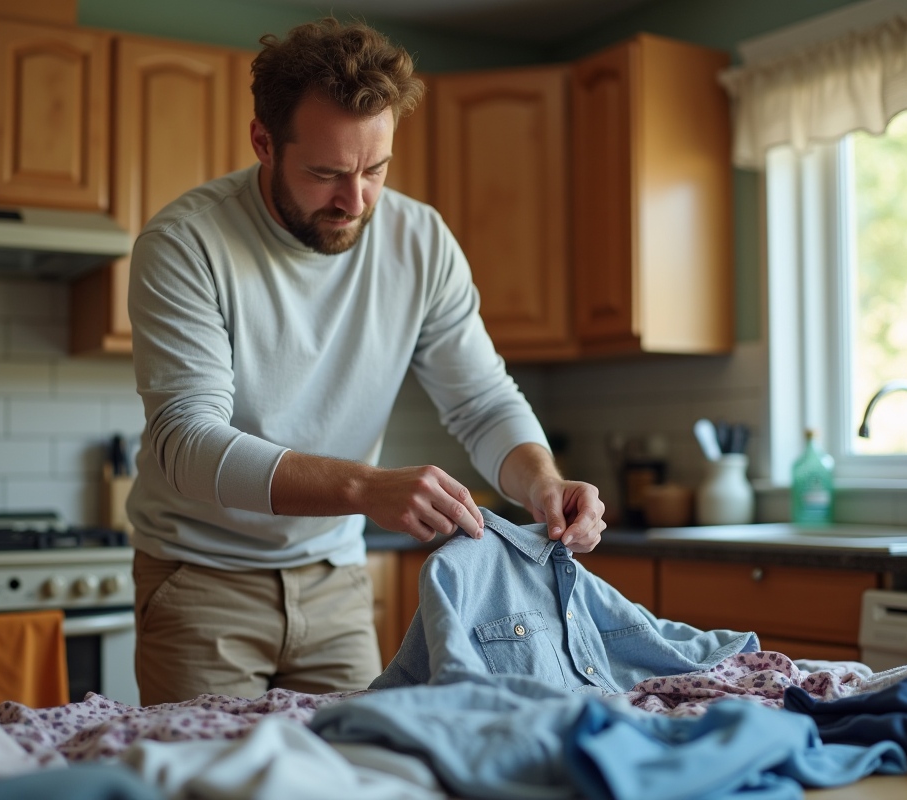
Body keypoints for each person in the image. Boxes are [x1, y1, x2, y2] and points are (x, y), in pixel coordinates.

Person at [126, 17, 606, 706]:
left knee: (360, 771)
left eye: (374, 170)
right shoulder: (186, 244)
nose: (355, 202)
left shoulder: (421, 240)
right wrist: (365, 489)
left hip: (336, 582)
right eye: (325, 174)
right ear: (263, 142)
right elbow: (186, 442)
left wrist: (541, 485)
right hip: (201, 581)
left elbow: (482, 401)